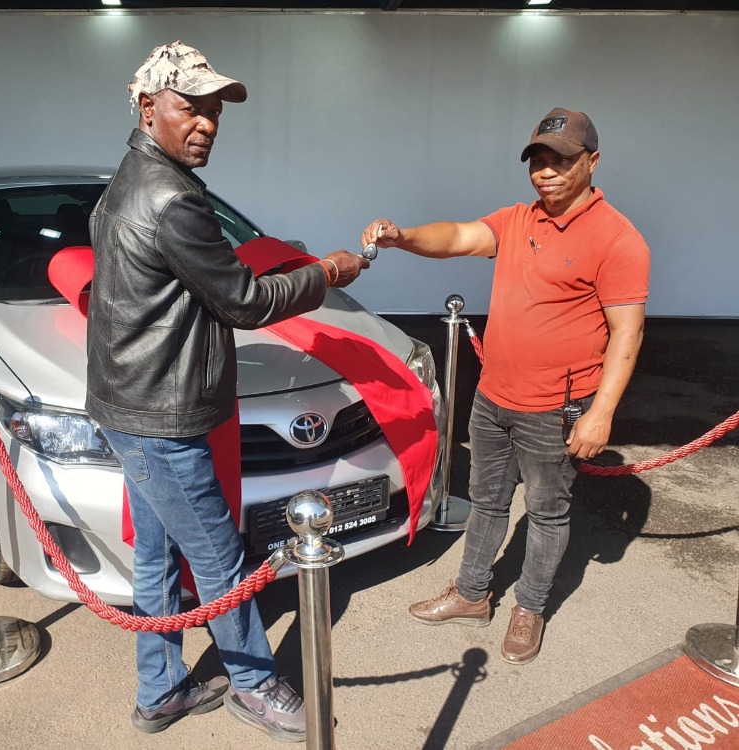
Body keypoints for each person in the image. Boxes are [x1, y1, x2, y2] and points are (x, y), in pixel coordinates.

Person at [86, 41, 368, 741]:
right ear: (148, 108)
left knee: (157, 556)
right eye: (191, 107)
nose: (207, 123)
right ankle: (254, 686)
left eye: (214, 111)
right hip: (159, 417)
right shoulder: (171, 197)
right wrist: (326, 273)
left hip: (131, 407)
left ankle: (160, 692)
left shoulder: (129, 178)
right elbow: (243, 300)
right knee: (218, 558)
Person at [361, 107, 649, 665]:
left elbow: (627, 332)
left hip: (556, 407)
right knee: (488, 501)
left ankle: (530, 607)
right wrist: (402, 237)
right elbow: (459, 236)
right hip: (493, 397)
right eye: (538, 161)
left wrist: (601, 413)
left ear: (592, 161)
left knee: (546, 512)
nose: (546, 172)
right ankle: (472, 594)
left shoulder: (618, 239)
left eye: (561, 161)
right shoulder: (519, 219)